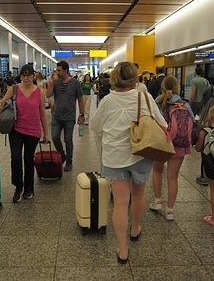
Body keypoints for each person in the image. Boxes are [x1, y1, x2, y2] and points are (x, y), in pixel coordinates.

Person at [91, 62, 167, 264]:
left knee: (120, 203)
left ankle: (122, 249)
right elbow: (163, 124)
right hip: (141, 153)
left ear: (115, 78)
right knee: (139, 194)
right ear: (135, 79)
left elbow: (95, 126)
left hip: (115, 157)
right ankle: (135, 229)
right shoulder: (145, 97)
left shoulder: (107, 100)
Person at [0, 64, 49, 202]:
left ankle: (29, 189)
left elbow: (42, 113)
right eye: (23, 75)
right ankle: (18, 186)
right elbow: (1, 102)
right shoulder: (15, 89)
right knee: (16, 159)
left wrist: (46, 133)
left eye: (28, 75)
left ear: (33, 76)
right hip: (16, 129)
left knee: (28, 159)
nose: (26, 78)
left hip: (33, 130)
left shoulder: (40, 92)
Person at [149, 75, 194, 219]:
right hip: (179, 145)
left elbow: (152, 121)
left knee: (157, 171)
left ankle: (157, 201)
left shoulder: (158, 101)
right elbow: (192, 124)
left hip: (162, 143)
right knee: (173, 177)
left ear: (163, 87)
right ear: (177, 87)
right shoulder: (184, 105)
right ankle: (170, 211)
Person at [46, 60, 84, 171]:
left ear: (66, 70)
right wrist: (52, 82)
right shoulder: (56, 82)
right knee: (55, 137)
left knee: (68, 139)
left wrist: (81, 114)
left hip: (69, 117)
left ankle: (69, 161)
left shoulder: (75, 83)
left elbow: (80, 99)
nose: (57, 72)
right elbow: (48, 95)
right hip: (57, 116)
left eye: (59, 70)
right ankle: (62, 155)